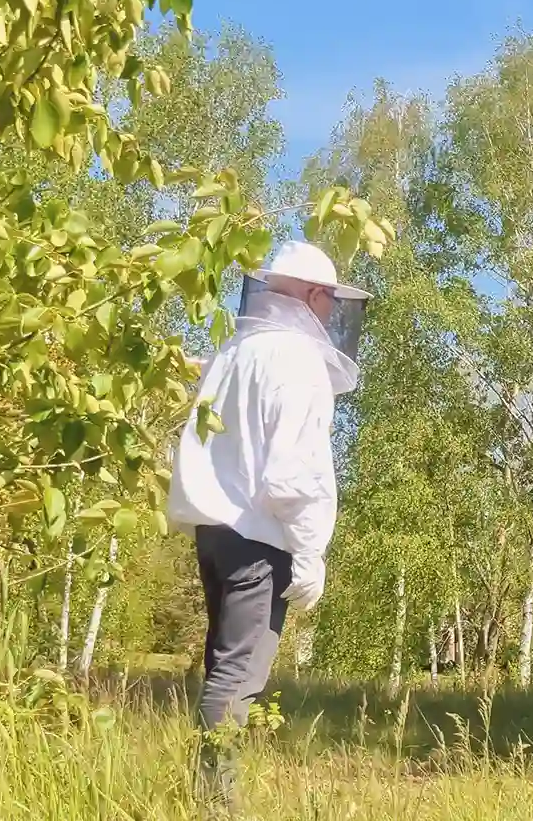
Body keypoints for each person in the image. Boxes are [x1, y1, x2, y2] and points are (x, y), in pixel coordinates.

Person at [167, 240, 369, 817]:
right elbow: (293, 474)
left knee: (223, 663)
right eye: (331, 300)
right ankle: (214, 805)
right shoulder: (297, 361)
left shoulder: (233, 353)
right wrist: (309, 554)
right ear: (312, 295)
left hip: (217, 530)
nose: (333, 314)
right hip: (260, 537)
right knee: (238, 674)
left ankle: (209, 794)